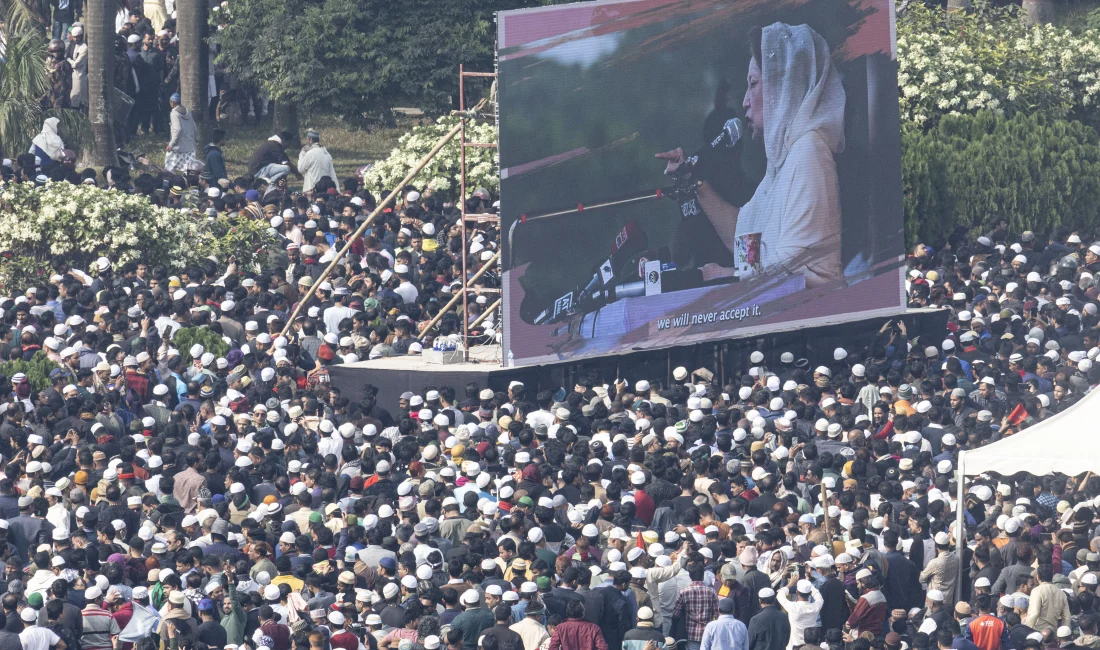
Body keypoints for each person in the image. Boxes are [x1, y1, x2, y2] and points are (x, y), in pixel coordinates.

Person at [655, 22, 844, 287]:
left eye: (753, 84)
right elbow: (745, 236)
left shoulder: (808, 153)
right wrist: (694, 181)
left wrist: (726, 275)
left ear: (783, 86)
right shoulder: (785, 161)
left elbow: (793, 271)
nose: (744, 101)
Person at [298, 129, 338, 194]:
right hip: (325, 187)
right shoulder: (326, 153)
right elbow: (332, 173)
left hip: (313, 189)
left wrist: (302, 153)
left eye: (307, 139)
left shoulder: (310, 153)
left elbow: (300, 169)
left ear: (310, 139)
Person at [165, 92, 197, 173]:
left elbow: (177, 129)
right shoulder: (187, 111)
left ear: (172, 102)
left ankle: (170, 181)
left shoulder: (174, 113)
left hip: (179, 147)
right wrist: (195, 139)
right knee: (189, 169)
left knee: (169, 163)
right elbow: (194, 127)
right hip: (190, 146)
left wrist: (171, 144)